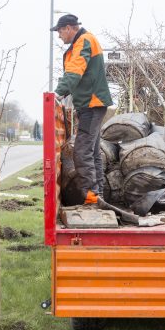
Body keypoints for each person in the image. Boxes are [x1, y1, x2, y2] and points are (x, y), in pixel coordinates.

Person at [51, 14, 113, 205]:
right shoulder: (84, 41)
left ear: (69, 28)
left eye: (60, 32)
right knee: (92, 152)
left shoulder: (83, 41)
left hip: (92, 105)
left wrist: (57, 94)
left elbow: (75, 71)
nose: (59, 37)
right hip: (91, 104)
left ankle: (91, 197)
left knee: (81, 151)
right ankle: (97, 196)